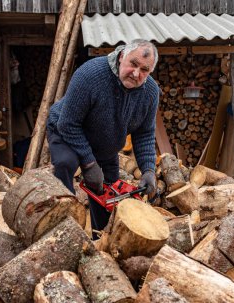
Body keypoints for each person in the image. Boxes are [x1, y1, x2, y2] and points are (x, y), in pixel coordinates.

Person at [47, 39, 160, 238]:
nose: (136, 74)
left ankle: (101, 240)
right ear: (122, 55)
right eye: (133, 64)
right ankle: (59, 231)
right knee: (66, 163)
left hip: (105, 146)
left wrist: (148, 169)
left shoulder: (150, 93)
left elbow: (144, 134)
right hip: (67, 131)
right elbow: (68, 123)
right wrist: (89, 164)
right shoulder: (90, 75)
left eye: (144, 70)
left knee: (108, 195)